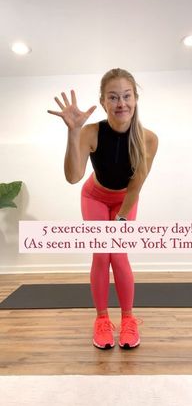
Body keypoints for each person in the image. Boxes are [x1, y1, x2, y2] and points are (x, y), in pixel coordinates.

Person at [48, 68, 158, 350]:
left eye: (126, 96)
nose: (121, 103)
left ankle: (129, 320)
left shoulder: (149, 139)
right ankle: (101, 320)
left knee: (118, 256)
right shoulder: (91, 132)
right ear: (103, 101)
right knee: (101, 255)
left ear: (135, 98)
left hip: (125, 199)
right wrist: (73, 134)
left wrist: (120, 219)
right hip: (95, 196)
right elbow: (73, 177)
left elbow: (136, 185)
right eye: (113, 97)